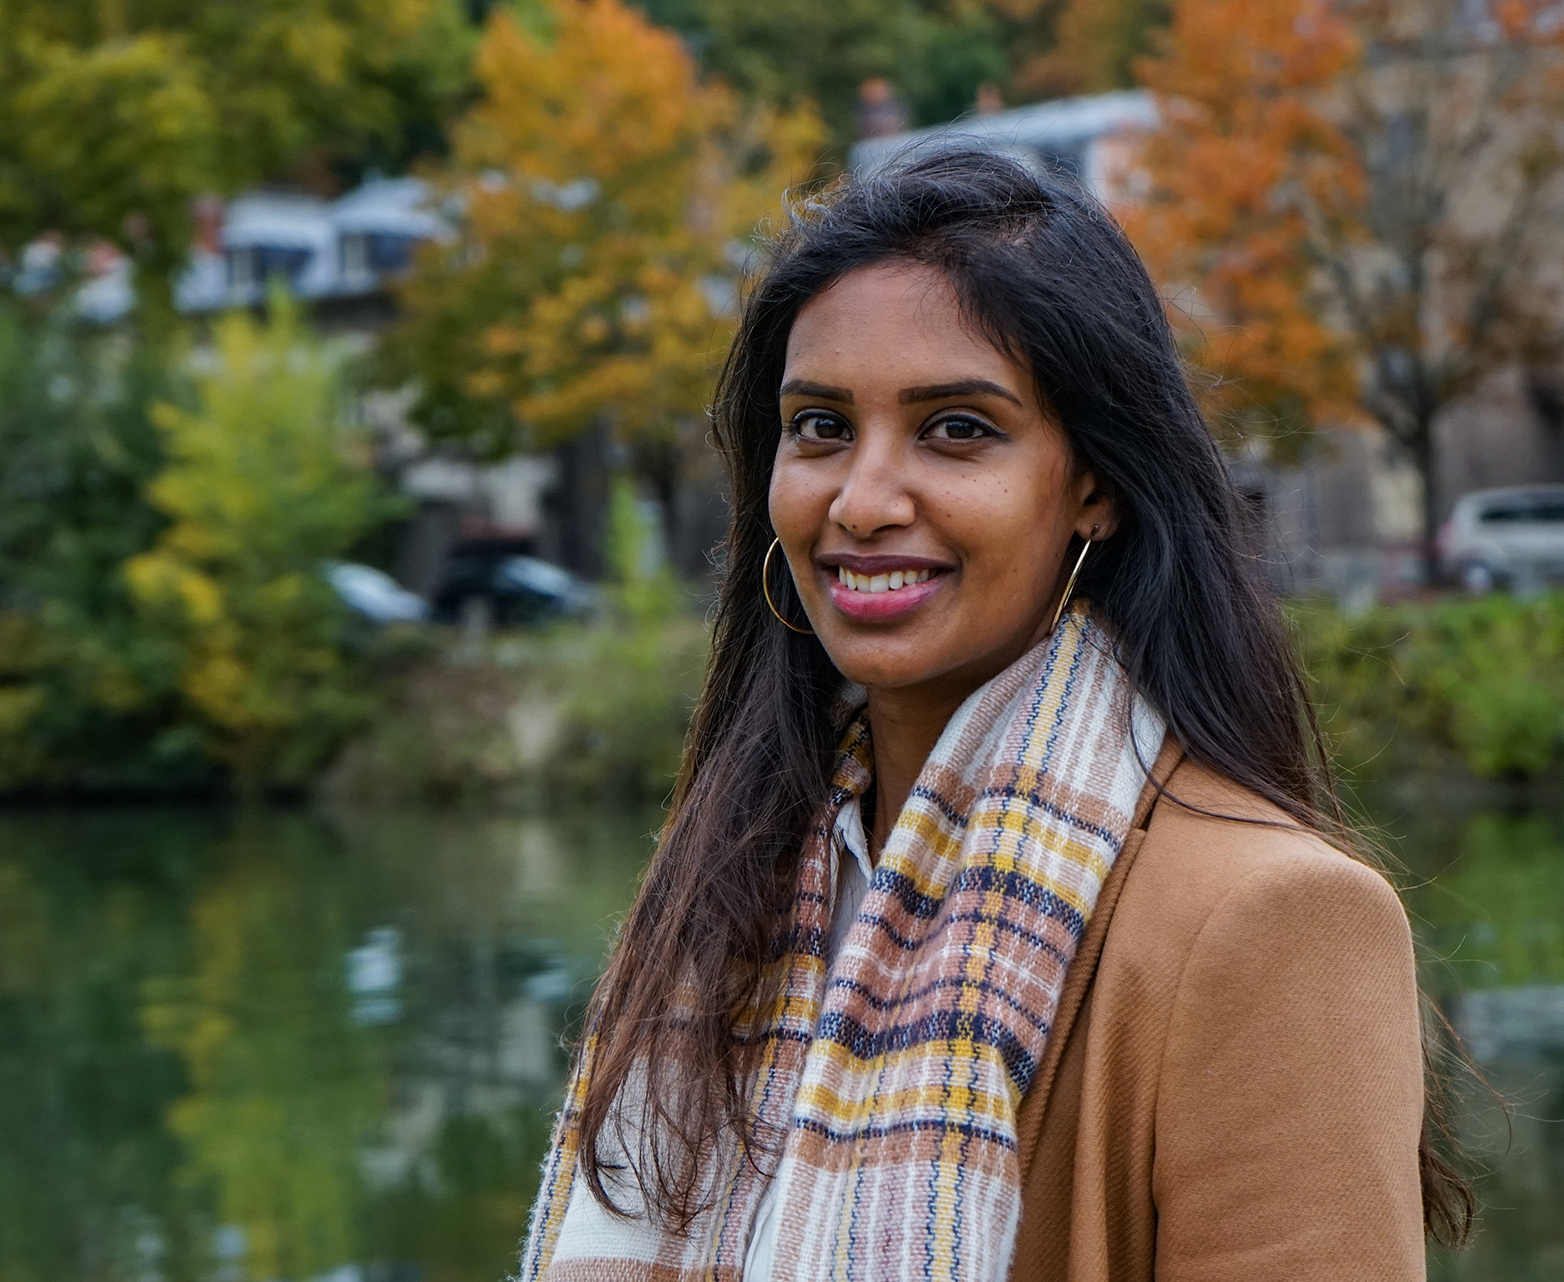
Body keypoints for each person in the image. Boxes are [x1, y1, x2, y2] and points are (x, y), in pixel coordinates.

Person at [519, 150, 1470, 1281]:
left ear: (1095, 483)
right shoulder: (722, 894)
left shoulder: (1273, 921)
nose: (862, 500)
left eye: (956, 429)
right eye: (820, 425)